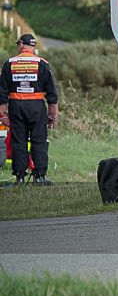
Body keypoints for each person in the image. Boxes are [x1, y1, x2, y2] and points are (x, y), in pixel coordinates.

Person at [0, 34, 58, 185]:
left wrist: (3, 114)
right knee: (39, 140)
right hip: (36, 105)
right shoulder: (43, 63)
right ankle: (39, 176)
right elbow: (52, 93)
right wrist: (53, 115)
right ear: (33, 46)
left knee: (19, 141)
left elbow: (2, 93)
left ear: (20, 44)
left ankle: (20, 176)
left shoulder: (9, 64)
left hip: (16, 106)